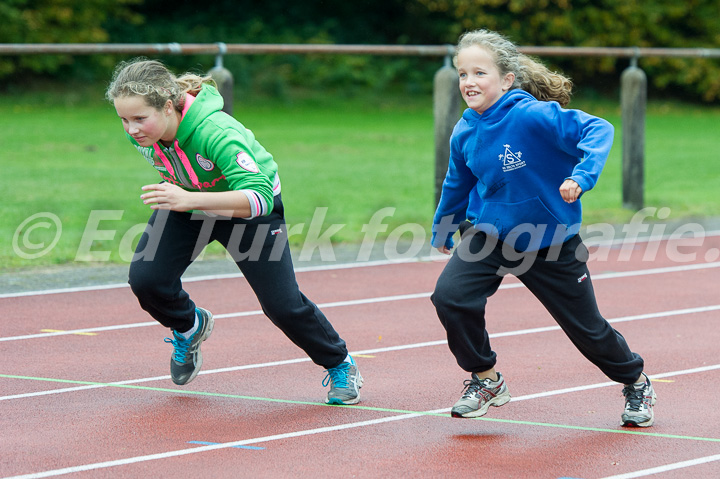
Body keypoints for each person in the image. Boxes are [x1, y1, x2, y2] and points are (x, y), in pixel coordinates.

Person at [430, 30, 656, 427]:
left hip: (551, 241)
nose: (469, 82)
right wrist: (443, 227)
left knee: (589, 331)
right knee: (450, 297)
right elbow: (456, 182)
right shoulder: (465, 131)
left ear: (506, 80)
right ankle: (486, 379)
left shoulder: (533, 115)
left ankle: (636, 381)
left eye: (479, 73)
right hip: (491, 234)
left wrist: (583, 176)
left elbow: (599, 129)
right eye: (463, 73)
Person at [105, 58, 362, 405]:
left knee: (282, 306)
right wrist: (188, 199)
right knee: (147, 280)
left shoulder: (215, 131)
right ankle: (189, 326)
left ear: (168, 107)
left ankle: (339, 363)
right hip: (190, 202)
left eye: (139, 119)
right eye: (124, 119)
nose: (132, 129)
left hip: (247, 209)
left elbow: (259, 199)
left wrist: (190, 197)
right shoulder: (147, 137)